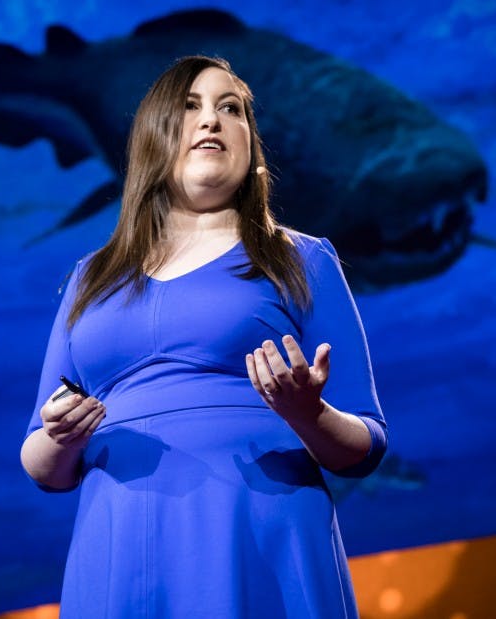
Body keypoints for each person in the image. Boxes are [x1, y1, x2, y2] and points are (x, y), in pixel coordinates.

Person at [20, 55, 388, 618]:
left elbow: (366, 444)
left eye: (230, 108)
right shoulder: (89, 279)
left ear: (250, 142)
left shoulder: (302, 259)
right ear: (153, 138)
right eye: (190, 107)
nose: (211, 120)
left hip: (256, 524)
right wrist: (61, 434)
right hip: (117, 538)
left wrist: (307, 412)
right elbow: (40, 462)